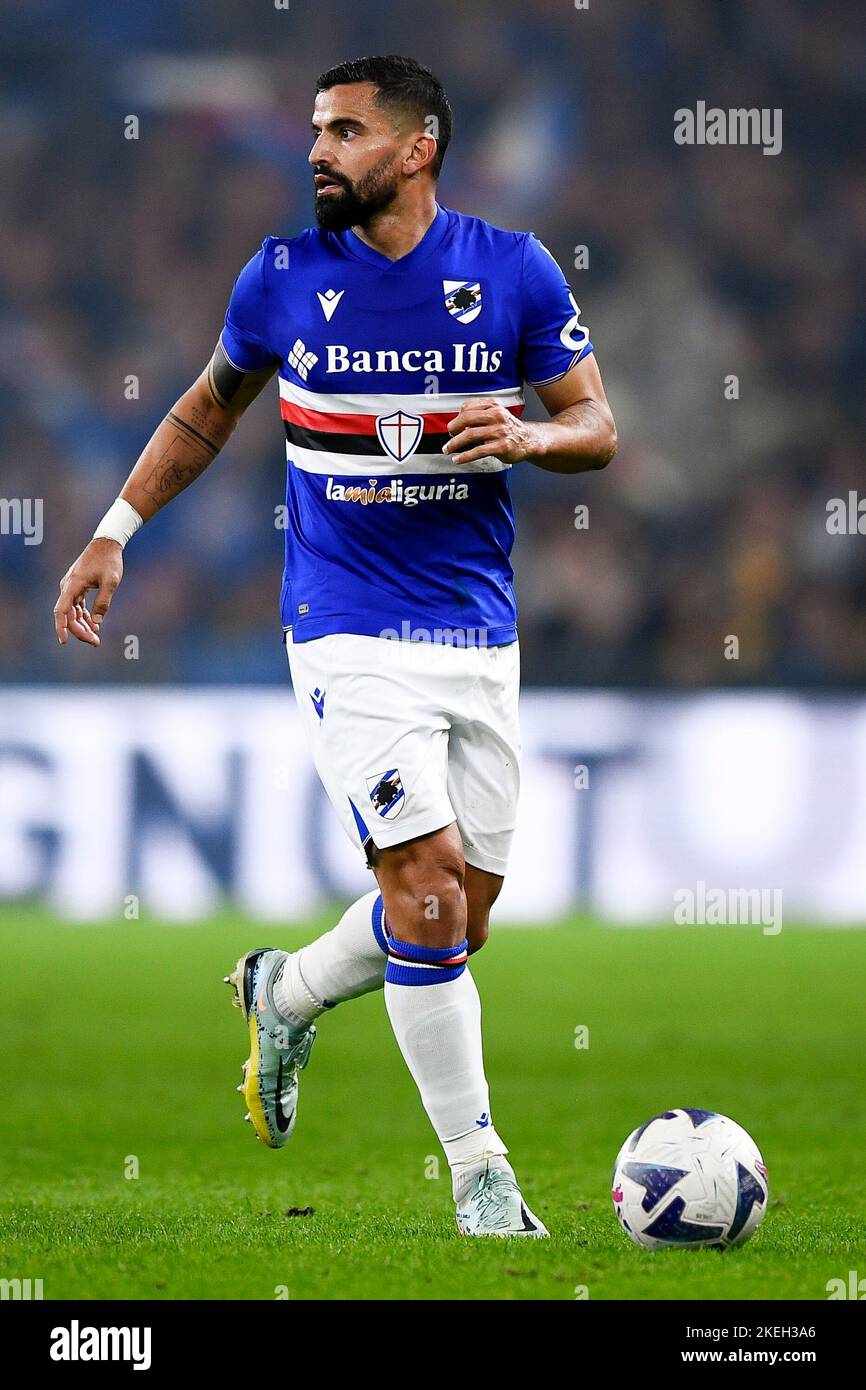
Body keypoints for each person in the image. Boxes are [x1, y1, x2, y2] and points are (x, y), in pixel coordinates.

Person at [54, 53, 617, 1237]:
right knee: (417, 900)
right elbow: (205, 407)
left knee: (456, 918)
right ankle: (482, 1180)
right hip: (343, 621)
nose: (316, 150)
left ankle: (286, 988)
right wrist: (113, 532)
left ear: (416, 150)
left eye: (346, 131)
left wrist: (521, 435)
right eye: (316, 130)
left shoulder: (507, 271)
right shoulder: (280, 279)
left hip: (475, 626)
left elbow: (595, 426)